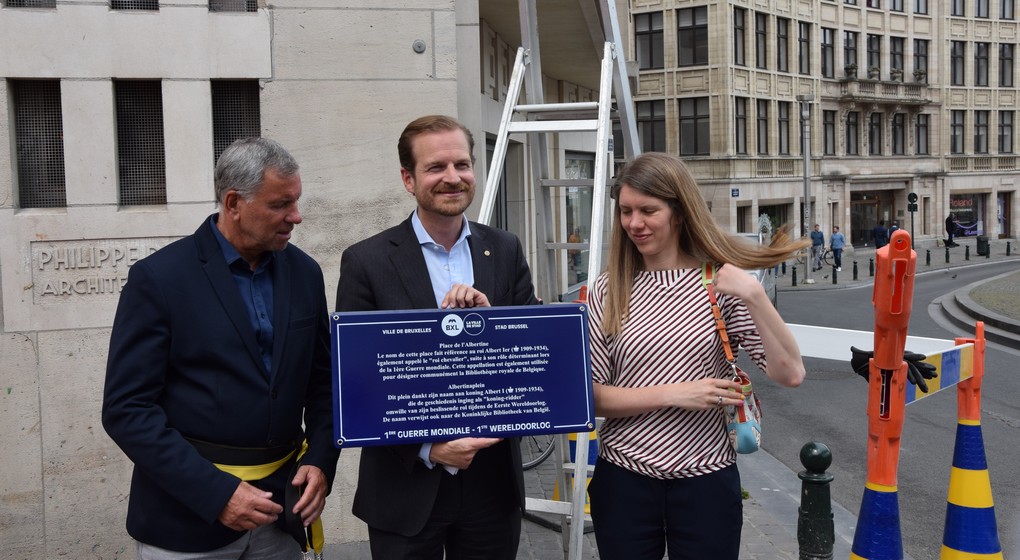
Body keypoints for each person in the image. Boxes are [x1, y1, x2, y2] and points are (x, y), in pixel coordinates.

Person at [102, 138, 340, 559]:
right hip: (185, 521)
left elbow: (324, 383)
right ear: (233, 203)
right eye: (281, 204)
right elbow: (127, 410)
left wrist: (321, 460)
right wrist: (217, 495)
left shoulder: (305, 272)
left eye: (297, 201)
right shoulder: (159, 279)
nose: (296, 216)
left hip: (282, 514)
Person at [335, 115, 539, 559]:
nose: (453, 178)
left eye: (462, 165)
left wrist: (495, 324)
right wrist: (431, 448)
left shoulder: (505, 248)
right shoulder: (366, 261)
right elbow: (359, 382)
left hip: (492, 485)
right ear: (408, 179)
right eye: (436, 168)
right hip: (404, 485)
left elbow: (535, 355)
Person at [585, 152, 807, 560]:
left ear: (679, 212)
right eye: (626, 211)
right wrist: (673, 394)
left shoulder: (722, 283)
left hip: (707, 483)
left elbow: (790, 373)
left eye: (648, 210)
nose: (635, 223)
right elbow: (593, 398)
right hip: (624, 481)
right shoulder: (607, 289)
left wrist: (755, 295)